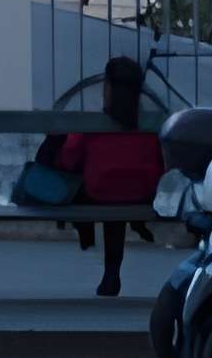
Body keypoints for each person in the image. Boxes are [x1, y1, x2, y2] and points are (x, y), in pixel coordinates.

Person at [58, 57, 163, 297]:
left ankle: (95, 248)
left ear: (108, 88)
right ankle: (117, 261)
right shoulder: (150, 123)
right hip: (142, 192)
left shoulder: (94, 124)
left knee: (102, 191)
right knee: (121, 192)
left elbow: (69, 159)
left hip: (99, 192)